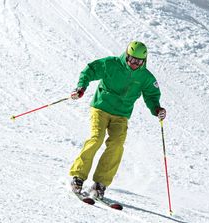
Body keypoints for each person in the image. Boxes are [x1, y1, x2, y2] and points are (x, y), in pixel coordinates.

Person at [69, 41, 166, 199]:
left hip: (121, 115)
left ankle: (100, 183)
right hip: (100, 108)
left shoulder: (145, 77)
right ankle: (78, 177)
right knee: (96, 138)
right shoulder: (111, 64)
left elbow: (152, 95)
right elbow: (90, 70)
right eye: (132, 59)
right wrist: (81, 87)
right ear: (127, 55)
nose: (134, 63)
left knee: (117, 144)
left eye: (139, 61)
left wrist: (157, 109)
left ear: (144, 60)